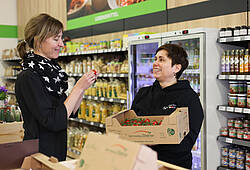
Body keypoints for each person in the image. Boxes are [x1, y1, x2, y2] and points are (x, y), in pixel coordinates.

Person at [15, 13, 97, 161]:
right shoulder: (29, 77)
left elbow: (69, 112)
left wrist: (83, 88)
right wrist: (77, 88)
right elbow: (53, 121)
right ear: (38, 39)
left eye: (61, 38)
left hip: (57, 150)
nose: (61, 44)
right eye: (56, 39)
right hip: (38, 153)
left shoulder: (54, 73)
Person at [131, 44, 204, 169]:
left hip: (172, 165)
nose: (155, 63)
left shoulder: (189, 97)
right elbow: (131, 124)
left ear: (176, 68)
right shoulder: (143, 93)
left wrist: (154, 142)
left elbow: (188, 140)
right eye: (155, 59)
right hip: (142, 162)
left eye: (161, 60)